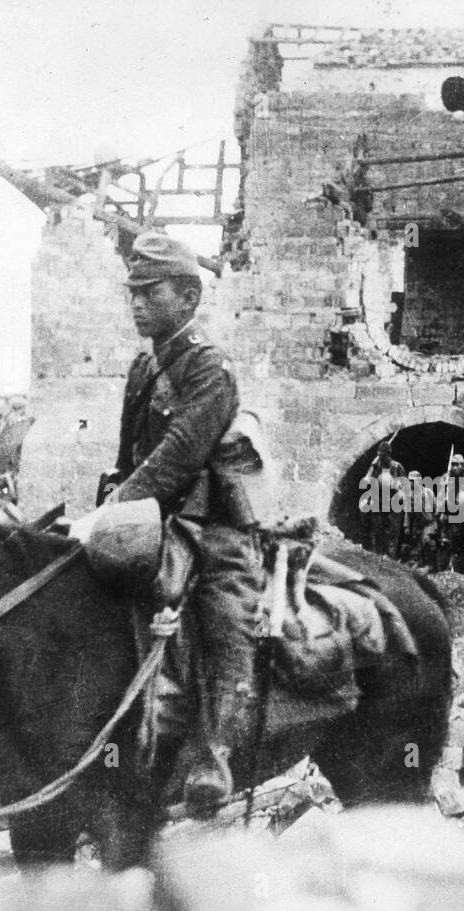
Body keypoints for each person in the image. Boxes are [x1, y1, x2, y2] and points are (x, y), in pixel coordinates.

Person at [105, 231, 260, 813]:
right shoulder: (145, 366)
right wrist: (107, 510)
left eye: (151, 290)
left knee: (227, 606)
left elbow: (176, 457)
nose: (137, 302)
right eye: (133, 292)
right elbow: (131, 460)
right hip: (151, 518)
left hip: (211, 525)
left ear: (190, 297)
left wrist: (118, 507)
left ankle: (215, 750)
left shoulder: (209, 370)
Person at [362, 440, 406, 558]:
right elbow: (367, 480)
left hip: (393, 502)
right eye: (380, 455)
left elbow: (405, 486)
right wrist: (372, 466)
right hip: (379, 501)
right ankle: (377, 554)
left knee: (392, 531)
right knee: (377, 529)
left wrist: (398, 488)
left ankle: (390, 557)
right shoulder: (376, 466)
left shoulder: (396, 466)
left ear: (389, 454)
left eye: (384, 455)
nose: (381, 458)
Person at [436, 453, 464, 573]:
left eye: (460, 465)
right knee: (446, 542)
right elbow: (440, 496)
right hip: (448, 515)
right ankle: (445, 566)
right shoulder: (445, 479)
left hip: (462, 516)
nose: (457, 467)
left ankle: (461, 567)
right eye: (455, 465)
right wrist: (441, 511)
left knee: (461, 541)